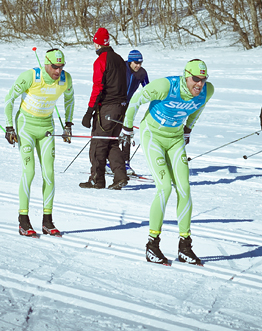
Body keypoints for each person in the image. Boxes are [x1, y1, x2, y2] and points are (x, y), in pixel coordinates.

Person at [121, 59, 214, 265]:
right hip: (152, 134)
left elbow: (198, 108)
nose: (199, 84)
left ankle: (185, 246)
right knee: (164, 188)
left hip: (175, 138)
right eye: (195, 79)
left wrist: (188, 128)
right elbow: (136, 100)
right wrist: (127, 128)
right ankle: (152, 245)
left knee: (185, 189)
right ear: (185, 76)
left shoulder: (207, 91)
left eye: (203, 79)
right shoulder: (166, 86)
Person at [4, 48, 74, 237]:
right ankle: (23, 220)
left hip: (46, 128)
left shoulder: (65, 79)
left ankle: (47, 221)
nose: (58, 71)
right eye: (54, 67)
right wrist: (9, 127)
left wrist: (67, 124)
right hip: (25, 126)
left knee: (49, 173)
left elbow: (70, 99)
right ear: (46, 63)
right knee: (29, 171)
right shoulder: (31, 77)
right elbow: (9, 99)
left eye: (61, 67)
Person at [79, 27, 129, 190]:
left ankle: (97, 179)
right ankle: (120, 176)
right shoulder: (120, 59)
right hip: (122, 107)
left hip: (108, 108)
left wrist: (89, 112)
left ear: (97, 43)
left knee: (98, 144)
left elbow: (98, 87)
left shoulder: (101, 60)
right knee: (112, 143)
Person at [122, 49, 149, 173]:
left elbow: (147, 89)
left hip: (128, 105)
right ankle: (108, 161)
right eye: (135, 63)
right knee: (114, 131)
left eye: (140, 63)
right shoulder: (121, 68)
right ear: (129, 61)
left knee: (126, 132)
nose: (138, 65)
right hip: (115, 103)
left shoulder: (142, 73)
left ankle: (125, 163)